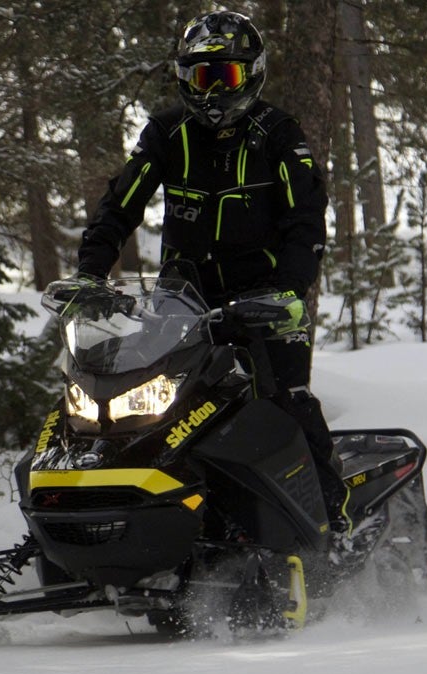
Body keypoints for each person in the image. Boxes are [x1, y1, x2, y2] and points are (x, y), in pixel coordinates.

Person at [75, 10, 350, 532]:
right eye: (201, 77)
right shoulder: (167, 133)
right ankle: (130, 520)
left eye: (223, 76)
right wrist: (90, 272)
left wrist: (289, 292)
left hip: (264, 304)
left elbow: (306, 223)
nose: (211, 92)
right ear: (183, 78)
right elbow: (121, 205)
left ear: (251, 74)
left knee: (285, 401)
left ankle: (331, 521)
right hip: (183, 304)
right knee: (139, 406)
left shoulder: (278, 135)